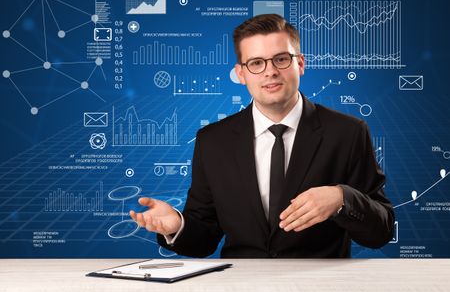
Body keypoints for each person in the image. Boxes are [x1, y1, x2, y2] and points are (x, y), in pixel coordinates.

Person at [130, 14, 395, 258]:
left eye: (281, 59)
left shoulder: (347, 133)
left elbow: (381, 231)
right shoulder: (212, 142)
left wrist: (342, 199)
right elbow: (205, 238)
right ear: (241, 74)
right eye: (256, 63)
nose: (270, 71)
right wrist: (177, 225)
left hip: (319, 291)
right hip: (241, 290)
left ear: (300, 64)